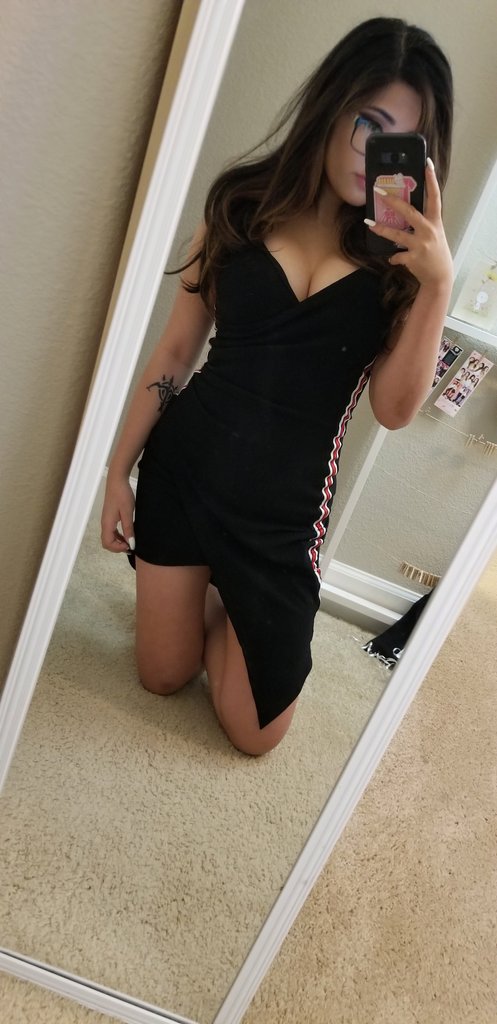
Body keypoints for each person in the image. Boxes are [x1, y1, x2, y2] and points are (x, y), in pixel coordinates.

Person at [101, 17, 454, 756]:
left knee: (256, 734)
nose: (373, 153)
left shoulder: (402, 266)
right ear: (332, 104)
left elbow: (392, 411)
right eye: (368, 123)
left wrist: (437, 287)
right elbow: (176, 350)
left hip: (283, 515)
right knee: (162, 676)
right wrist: (115, 471)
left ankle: (227, 594)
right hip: (186, 472)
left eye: (402, 141)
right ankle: (199, 583)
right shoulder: (240, 205)